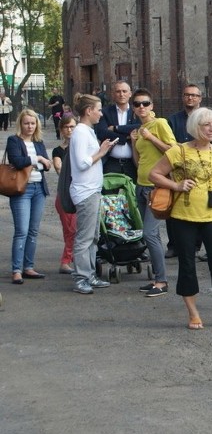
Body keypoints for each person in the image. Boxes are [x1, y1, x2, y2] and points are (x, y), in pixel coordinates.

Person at [148, 108, 212, 329]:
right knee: (187, 264)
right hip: (183, 216)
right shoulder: (178, 151)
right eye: (206, 125)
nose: (211, 129)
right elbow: (154, 174)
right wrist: (176, 185)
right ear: (194, 127)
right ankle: (193, 313)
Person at [129, 88, 176, 297]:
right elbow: (139, 162)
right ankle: (157, 278)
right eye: (137, 104)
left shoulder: (159, 124)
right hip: (141, 185)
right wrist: (134, 142)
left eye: (145, 103)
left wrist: (151, 138)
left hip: (157, 187)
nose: (141, 107)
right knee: (150, 234)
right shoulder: (141, 129)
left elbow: (174, 151)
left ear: (152, 106)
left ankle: (162, 281)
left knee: (150, 233)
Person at [69, 94, 116, 294]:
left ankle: (89, 275)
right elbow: (82, 163)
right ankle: (81, 277)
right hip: (85, 191)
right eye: (98, 109)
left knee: (93, 236)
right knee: (85, 237)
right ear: (88, 111)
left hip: (92, 190)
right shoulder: (80, 132)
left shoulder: (86, 130)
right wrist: (102, 151)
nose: (101, 113)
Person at [7, 109, 52, 284]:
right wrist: (38, 159)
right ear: (21, 124)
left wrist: (39, 161)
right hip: (21, 190)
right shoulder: (14, 141)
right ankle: (16, 270)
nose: (30, 126)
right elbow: (17, 161)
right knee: (22, 231)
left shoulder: (39, 142)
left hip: (39, 189)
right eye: (26, 123)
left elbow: (47, 165)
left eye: (33, 123)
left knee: (33, 231)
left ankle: (29, 267)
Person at [165, 83, 204, 258]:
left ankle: (195, 245)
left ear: (200, 98)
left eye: (194, 95)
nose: (191, 98)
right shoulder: (172, 120)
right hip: (177, 169)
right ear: (183, 97)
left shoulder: (205, 118)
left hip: (199, 168)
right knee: (173, 207)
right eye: (187, 95)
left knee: (197, 206)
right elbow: (168, 143)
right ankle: (173, 245)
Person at [95, 80, 138, 181]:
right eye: (118, 91)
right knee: (110, 195)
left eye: (124, 91)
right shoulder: (105, 112)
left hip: (132, 164)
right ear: (113, 94)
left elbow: (139, 127)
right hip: (111, 163)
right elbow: (102, 133)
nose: (121, 94)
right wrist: (125, 137)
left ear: (130, 94)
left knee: (131, 195)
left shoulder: (136, 111)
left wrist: (116, 128)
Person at [52, 114, 78, 275]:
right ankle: (65, 261)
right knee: (71, 230)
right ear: (61, 130)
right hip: (65, 195)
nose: (69, 130)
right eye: (66, 127)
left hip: (80, 192)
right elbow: (58, 168)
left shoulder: (81, 146)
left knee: (79, 230)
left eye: (72, 127)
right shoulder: (58, 150)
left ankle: (74, 258)